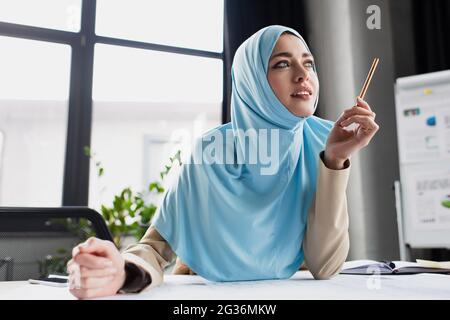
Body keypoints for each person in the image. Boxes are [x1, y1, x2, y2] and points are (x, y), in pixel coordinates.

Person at [67, 25, 379, 299]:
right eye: (282, 64)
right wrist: (121, 271)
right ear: (251, 81)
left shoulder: (319, 144)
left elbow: (325, 266)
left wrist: (335, 160)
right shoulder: (212, 150)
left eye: (308, 64)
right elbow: (155, 246)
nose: (303, 75)